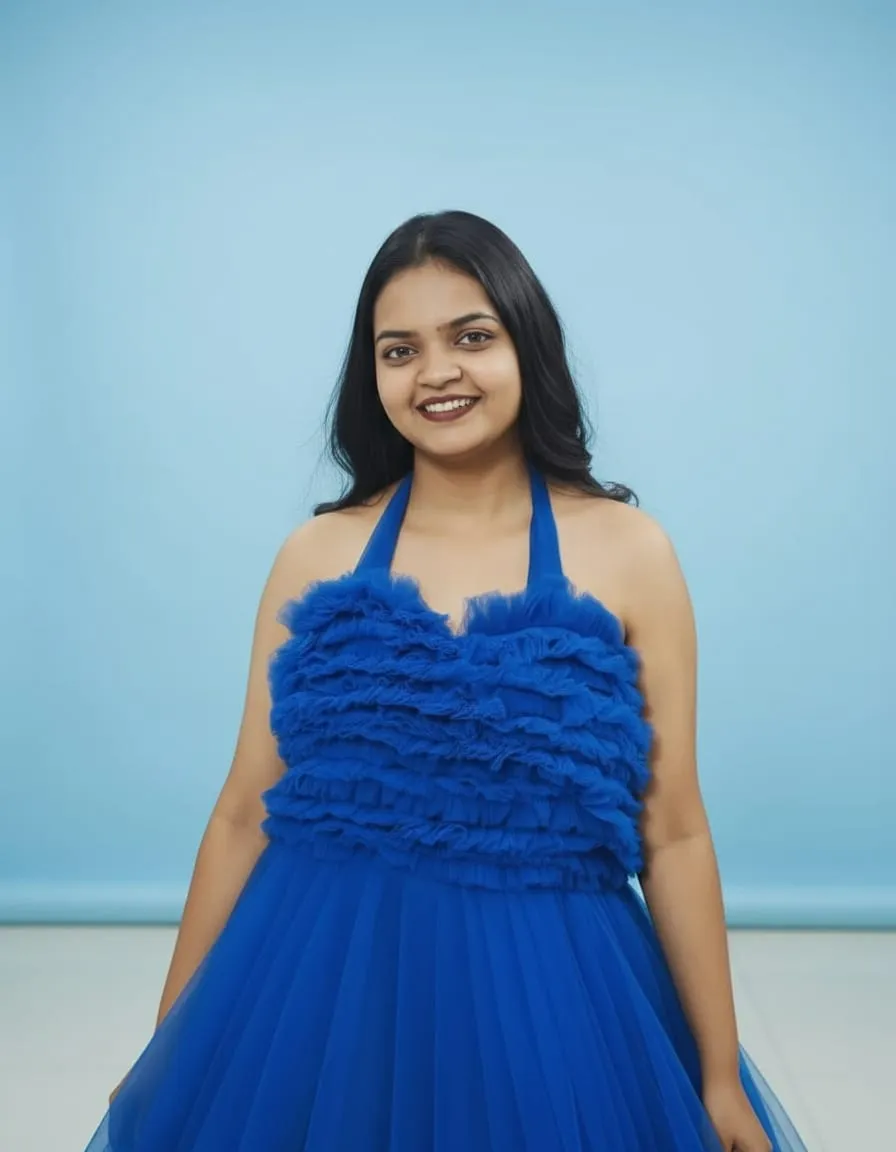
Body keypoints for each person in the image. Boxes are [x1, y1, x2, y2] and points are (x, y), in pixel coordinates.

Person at [85, 210, 807, 1151]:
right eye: (399, 349)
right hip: (320, 986)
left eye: (472, 336)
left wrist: (717, 1078)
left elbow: (673, 833)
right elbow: (239, 811)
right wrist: (171, 1042)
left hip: (554, 995)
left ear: (526, 343)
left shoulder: (629, 551)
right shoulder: (318, 554)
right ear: (371, 373)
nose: (436, 373)